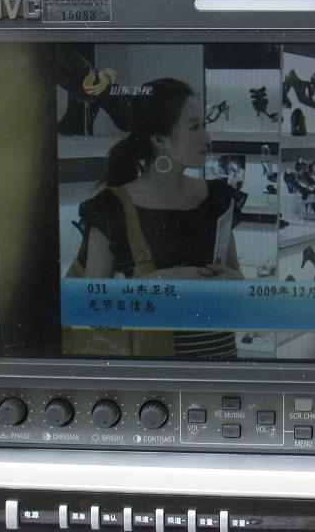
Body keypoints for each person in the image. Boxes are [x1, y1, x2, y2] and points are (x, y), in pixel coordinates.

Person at [76, 78, 245, 359]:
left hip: (221, 363)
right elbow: (90, 311)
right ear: (159, 140)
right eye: (195, 127)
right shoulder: (111, 209)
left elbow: (236, 276)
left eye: (204, 125)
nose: (207, 139)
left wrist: (231, 281)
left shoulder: (217, 198)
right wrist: (159, 284)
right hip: (154, 372)